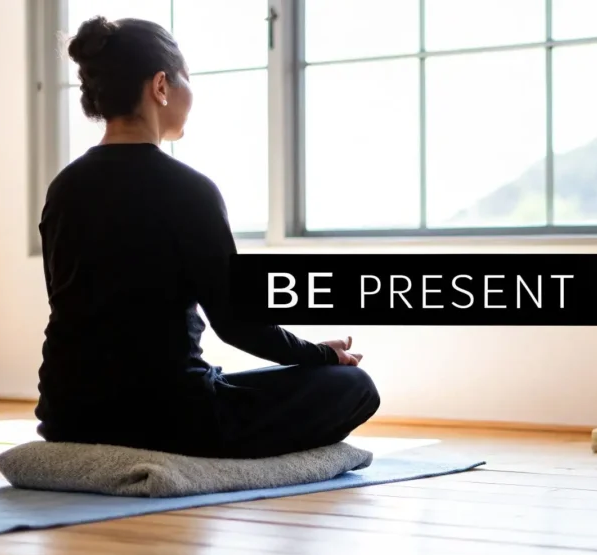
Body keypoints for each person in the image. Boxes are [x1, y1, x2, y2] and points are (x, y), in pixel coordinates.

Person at [35, 16, 380, 459]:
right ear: (161, 86)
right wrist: (320, 356)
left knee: (217, 380)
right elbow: (236, 322)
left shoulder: (64, 187)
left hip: (67, 417)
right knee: (354, 387)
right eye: (186, 81)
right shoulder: (189, 189)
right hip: (171, 419)